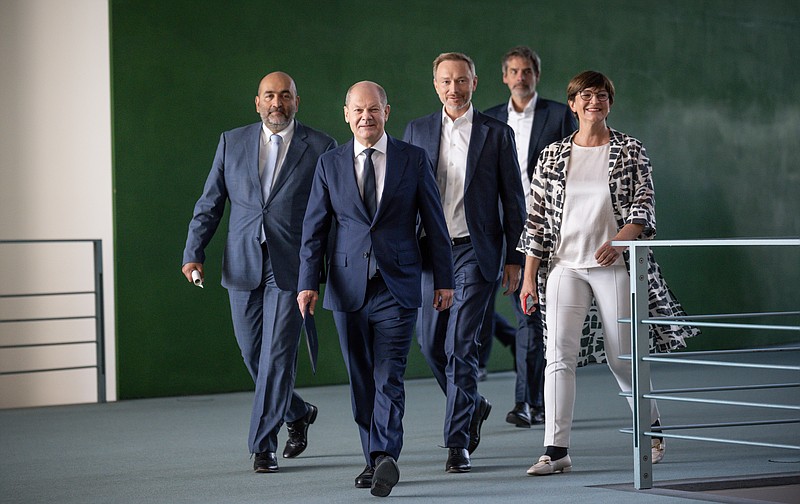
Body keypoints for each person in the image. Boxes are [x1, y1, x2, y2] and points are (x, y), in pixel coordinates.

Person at [517, 70, 698, 476]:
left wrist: (619, 240)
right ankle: (556, 449)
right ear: (573, 104)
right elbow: (536, 222)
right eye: (585, 96)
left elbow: (644, 207)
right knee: (557, 358)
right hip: (563, 266)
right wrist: (529, 276)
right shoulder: (551, 155)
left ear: (609, 104)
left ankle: (650, 429)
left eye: (600, 96)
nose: (593, 102)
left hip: (612, 266)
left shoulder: (631, 150)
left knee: (623, 358)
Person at [297, 81, 454, 497]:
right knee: (361, 379)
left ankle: (385, 455)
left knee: (389, 376)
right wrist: (307, 283)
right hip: (347, 289)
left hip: (398, 286)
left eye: (374, 109)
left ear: (388, 111)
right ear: (346, 114)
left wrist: (444, 279)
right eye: (358, 110)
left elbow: (435, 223)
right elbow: (314, 230)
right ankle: (373, 459)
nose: (366, 116)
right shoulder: (329, 164)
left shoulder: (413, 159)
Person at [181, 71, 336, 473]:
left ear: (296, 103)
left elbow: (329, 217)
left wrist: (321, 273)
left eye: (285, 96)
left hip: (293, 268)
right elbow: (210, 202)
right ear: (257, 102)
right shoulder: (232, 142)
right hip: (242, 263)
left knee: (277, 356)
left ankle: (262, 445)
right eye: (270, 96)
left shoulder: (321, 146)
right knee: (253, 352)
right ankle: (298, 412)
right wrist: (193, 251)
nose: (277, 103)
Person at [403, 52, 526, 473]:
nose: (453, 89)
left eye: (461, 81)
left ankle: (457, 443)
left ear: (474, 83)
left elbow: (514, 199)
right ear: (435, 84)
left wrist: (515, 258)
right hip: (428, 254)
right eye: (445, 81)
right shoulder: (416, 130)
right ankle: (472, 403)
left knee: (460, 346)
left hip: (476, 250)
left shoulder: (496, 133)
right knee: (431, 345)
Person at [482, 45, 578, 427]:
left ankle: (527, 402)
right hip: (493, 227)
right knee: (476, 309)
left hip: (541, 227)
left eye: (527, 71)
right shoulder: (488, 119)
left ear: (536, 75)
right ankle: (533, 399)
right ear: (505, 77)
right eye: (514, 71)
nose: (521, 77)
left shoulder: (558, 116)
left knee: (529, 316)